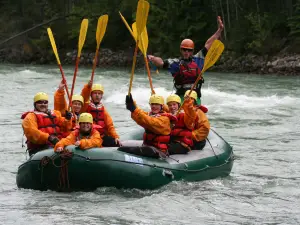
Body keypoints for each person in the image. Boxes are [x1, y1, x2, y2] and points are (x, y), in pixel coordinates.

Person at [148, 16, 224, 105]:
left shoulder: (199, 59)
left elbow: (208, 43)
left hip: (195, 98)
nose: (186, 52)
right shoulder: (175, 63)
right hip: (180, 97)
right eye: (184, 50)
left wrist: (219, 30)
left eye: (189, 50)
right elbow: (161, 63)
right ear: (181, 50)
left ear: (192, 51)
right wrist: (153, 58)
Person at [81, 81, 120, 147]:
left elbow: (110, 126)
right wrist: (88, 87)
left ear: (102, 96)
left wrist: (116, 136)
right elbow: (84, 97)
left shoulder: (103, 110)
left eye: (99, 93)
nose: (97, 95)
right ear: (91, 95)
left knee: (115, 143)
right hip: (89, 136)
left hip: (101, 137)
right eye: (95, 93)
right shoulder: (86, 106)